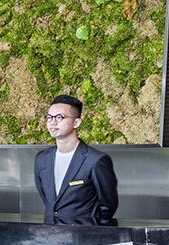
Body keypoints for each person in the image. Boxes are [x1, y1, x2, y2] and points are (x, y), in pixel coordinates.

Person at [32, 93, 118, 226]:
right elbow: (49, 200)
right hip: (49, 236)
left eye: (59, 117)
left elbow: (108, 206)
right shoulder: (42, 159)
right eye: (49, 117)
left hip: (82, 238)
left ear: (76, 122)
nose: (52, 122)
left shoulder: (96, 160)